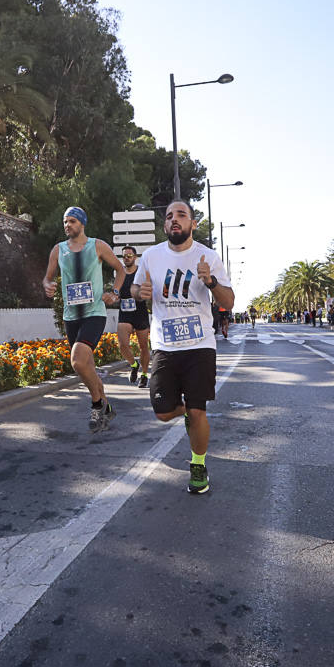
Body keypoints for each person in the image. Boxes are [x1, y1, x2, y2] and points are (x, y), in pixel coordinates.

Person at [135, 201, 233, 495]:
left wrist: (211, 281)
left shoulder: (208, 256)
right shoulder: (151, 256)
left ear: (192, 223)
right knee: (162, 411)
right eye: (169, 217)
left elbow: (228, 302)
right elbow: (136, 288)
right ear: (164, 225)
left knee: (198, 410)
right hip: (165, 345)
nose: (174, 220)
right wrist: (138, 292)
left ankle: (198, 464)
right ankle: (187, 412)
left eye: (181, 215)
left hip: (200, 344)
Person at [43, 206, 125, 433]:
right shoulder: (58, 250)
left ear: (82, 224)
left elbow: (120, 270)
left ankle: (97, 404)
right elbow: (48, 278)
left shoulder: (97, 246)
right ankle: (107, 408)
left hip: (94, 314)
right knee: (86, 365)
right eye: (65, 222)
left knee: (77, 361)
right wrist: (48, 286)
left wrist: (115, 292)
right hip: (71, 316)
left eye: (72, 221)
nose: (67, 225)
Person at [114, 245, 151, 388]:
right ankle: (134, 365)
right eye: (124, 256)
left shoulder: (141, 272)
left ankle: (144, 375)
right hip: (125, 313)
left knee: (143, 347)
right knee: (123, 345)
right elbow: (116, 292)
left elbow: (148, 288)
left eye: (129, 256)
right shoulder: (120, 274)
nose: (126, 258)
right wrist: (114, 297)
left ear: (135, 258)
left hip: (140, 313)